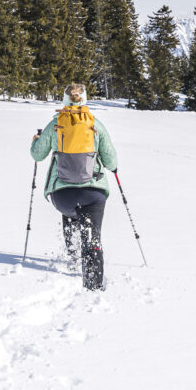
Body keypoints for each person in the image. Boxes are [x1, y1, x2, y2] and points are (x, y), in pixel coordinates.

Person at [30, 83, 118, 291]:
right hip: (93, 193)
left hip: (62, 195)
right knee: (92, 236)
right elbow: (112, 161)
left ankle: (71, 255)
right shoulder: (96, 124)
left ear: (64, 99)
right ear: (84, 98)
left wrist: (35, 141)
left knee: (71, 211)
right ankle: (94, 286)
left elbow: (37, 155)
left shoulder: (55, 123)